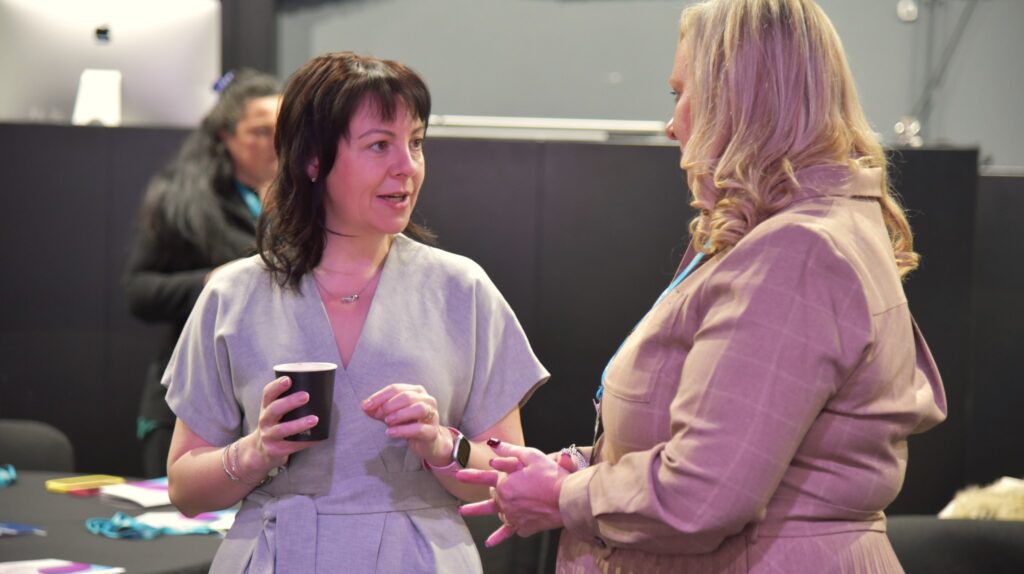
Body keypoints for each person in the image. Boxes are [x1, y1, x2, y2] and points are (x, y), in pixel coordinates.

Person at [458, 1, 947, 572]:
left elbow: (705, 492)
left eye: (681, 94)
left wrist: (567, 496)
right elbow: (724, 442)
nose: (673, 123)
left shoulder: (798, 252)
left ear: (742, 100)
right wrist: (586, 469)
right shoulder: (799, 234)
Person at [162, 52, 548, 573]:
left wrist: (441, 444)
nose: (407, 167)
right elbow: (185, 489)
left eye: (415, 143)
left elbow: (508, 478)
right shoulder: (234, 294)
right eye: (379, 145)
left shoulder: (462, 288)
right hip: (277, 555)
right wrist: (257, 452)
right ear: (313, 160)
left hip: (419, 559)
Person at [124, 69, 282, 478]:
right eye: (261, 132)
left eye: (285, 131)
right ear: (226, 136)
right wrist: (211, 283)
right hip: (192, 403)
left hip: (270, 402)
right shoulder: (183, 201)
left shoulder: (309, 203)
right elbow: (139, 292)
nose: (276, 144)